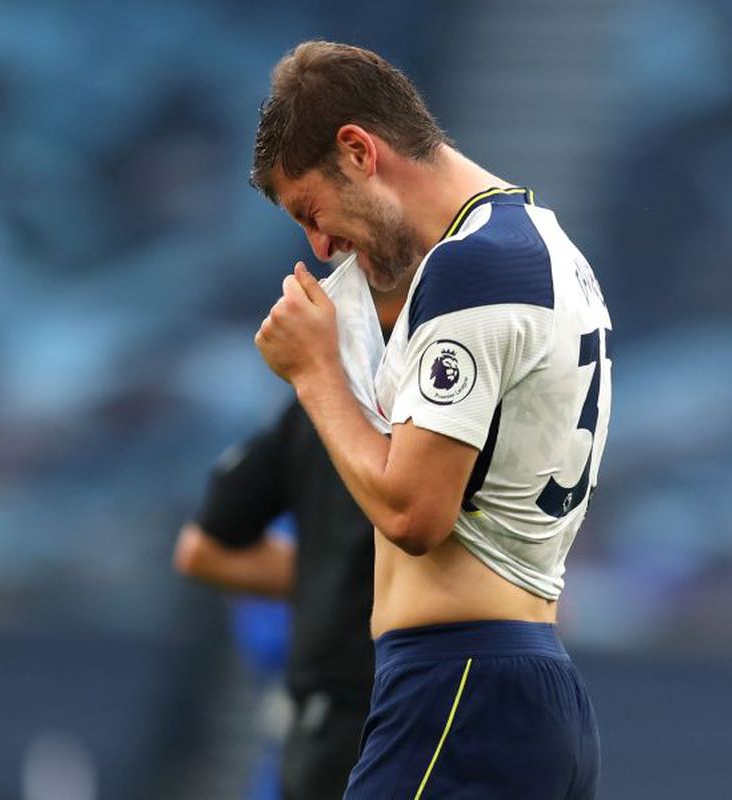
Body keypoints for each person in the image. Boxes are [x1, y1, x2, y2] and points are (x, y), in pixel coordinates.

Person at [250, 41, 611, 798]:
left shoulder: (473, 265)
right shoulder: (543, 246)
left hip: (461, 687)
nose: (318, 246)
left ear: (357, 151)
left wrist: (314, 371)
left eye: (310, 212)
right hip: (520, 683)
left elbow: (415, 512)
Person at [174, 282, 409, 800]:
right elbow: (203, 552)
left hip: (364, 716)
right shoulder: (308, 424)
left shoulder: (332, 418)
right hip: (346, 712)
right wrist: (342, 573)